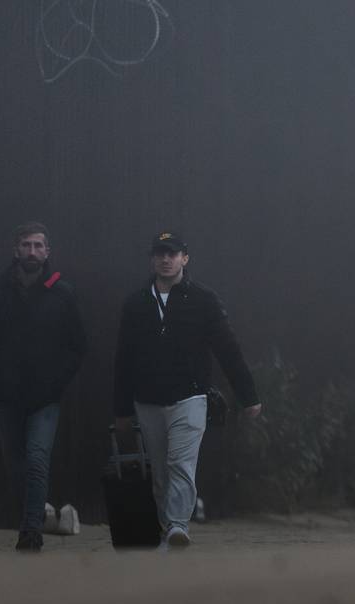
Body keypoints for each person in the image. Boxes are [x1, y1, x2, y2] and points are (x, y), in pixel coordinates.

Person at [112, 232, 262, 549]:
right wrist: (122, 408)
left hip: (190, 396)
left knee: (181, 463)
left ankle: (178, 525)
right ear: (152, 259)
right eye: (160, 253)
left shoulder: (203, 300)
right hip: (148, 399)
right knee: (160, 471)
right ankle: (167, 528)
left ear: (185, 258)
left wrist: (248, 394)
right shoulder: (136, 303)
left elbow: (227, 348)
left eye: (173, 253)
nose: (166, 259)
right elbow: (124, 357)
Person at [0, 222, 88, 552]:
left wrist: (56, 382)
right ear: (16, 250)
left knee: (38, 458)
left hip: (45, 397)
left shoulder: (62, 292)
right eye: (26, 245)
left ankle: (30, 532)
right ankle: (37, 513)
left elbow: (78, 345)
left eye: (38, 245)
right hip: (6, 395)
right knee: (16, 465)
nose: (32, 251)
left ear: (47, 252)